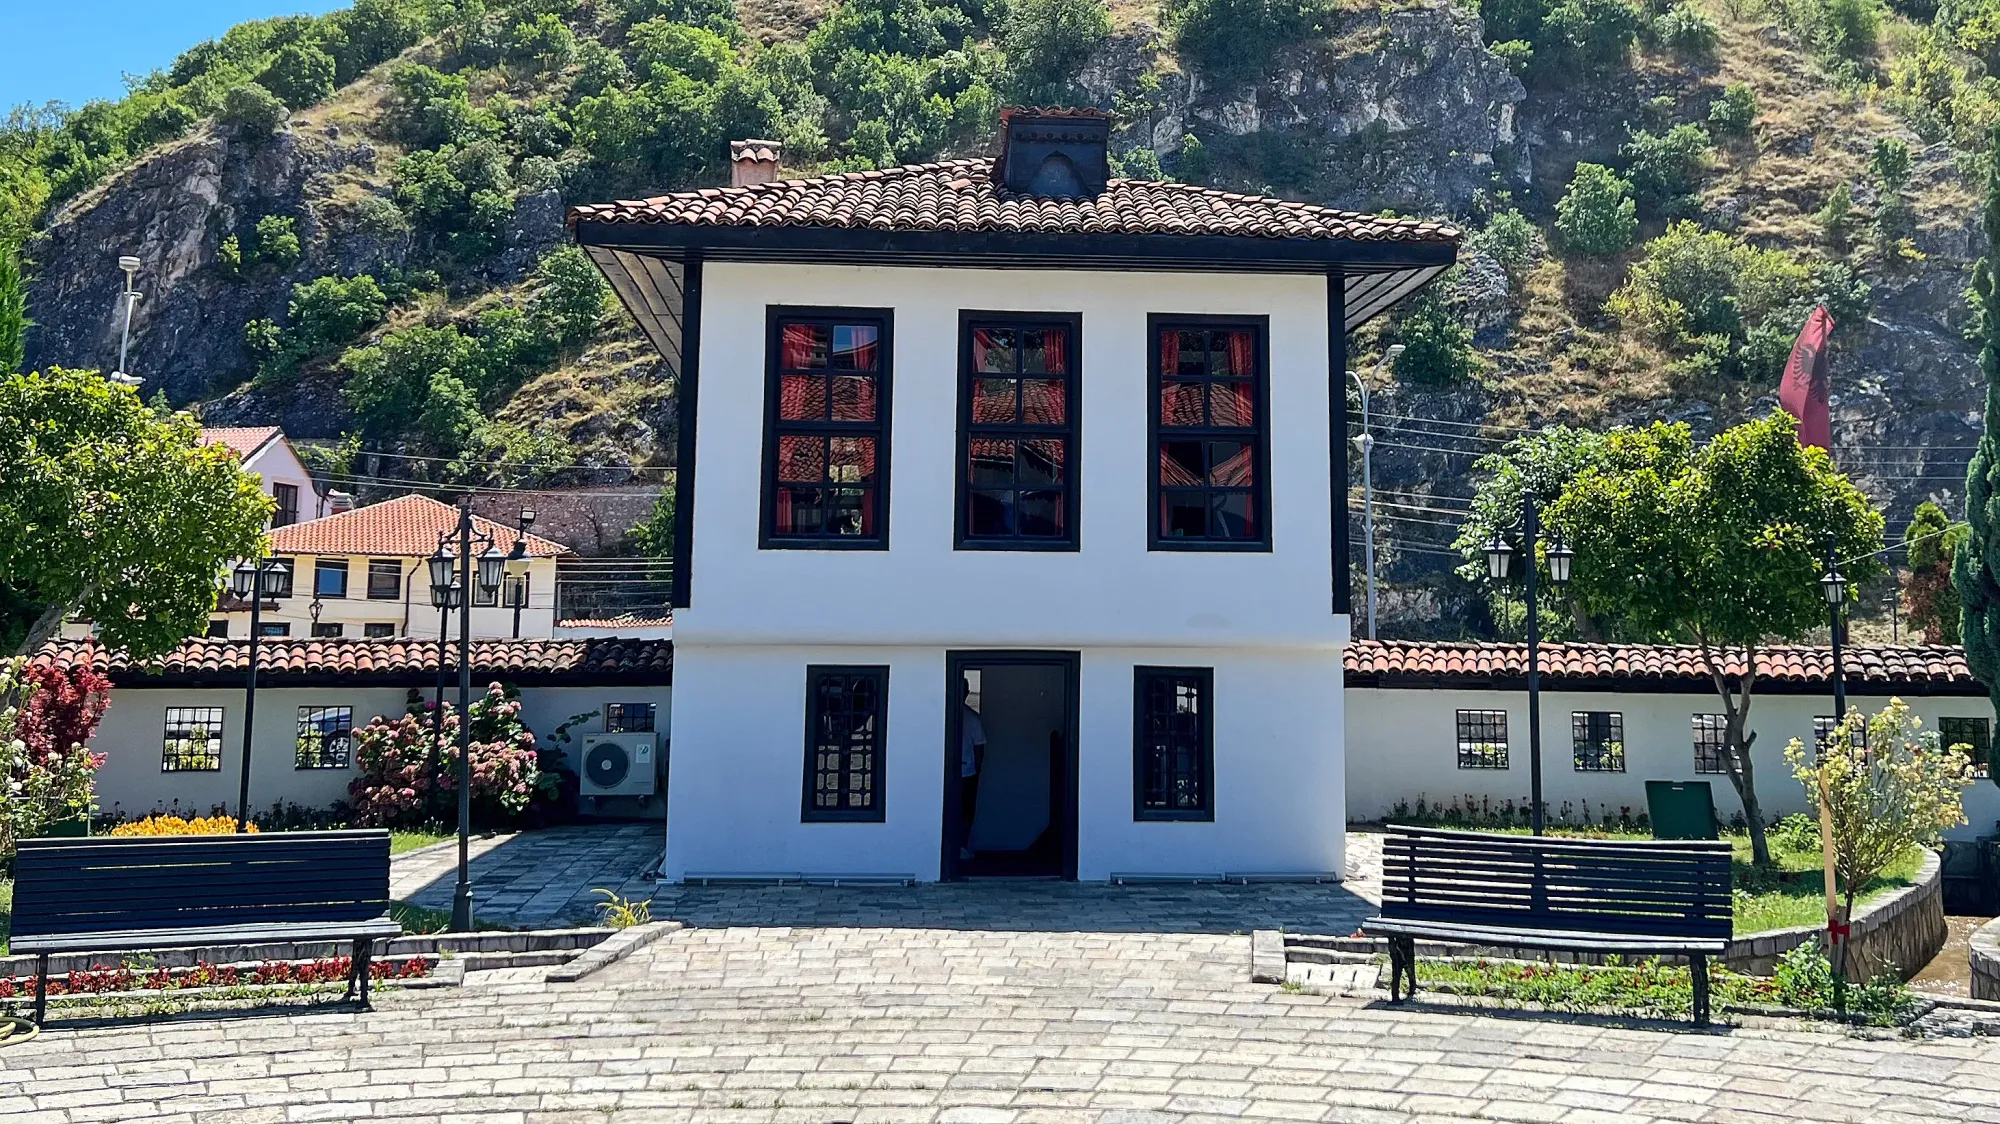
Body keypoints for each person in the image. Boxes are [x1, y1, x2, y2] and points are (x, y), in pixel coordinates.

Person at [959, 681, 986, 863]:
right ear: (967, 693)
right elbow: (979, 749)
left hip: (953, 774)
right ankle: (962, 846)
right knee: (966, 811)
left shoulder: (942, 715)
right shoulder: (973, 718)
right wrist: (978, 768)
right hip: (968, 772)